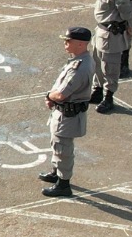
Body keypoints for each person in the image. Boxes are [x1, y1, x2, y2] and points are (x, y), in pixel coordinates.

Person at [39, 28, 96, 198]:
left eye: (68, 41)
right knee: (56, 144)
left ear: (81, 44)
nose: (65, 44)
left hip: (68, 115)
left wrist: (49, 96)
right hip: (63, 111)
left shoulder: (80, 66)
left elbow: (61, 94)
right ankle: (56, 173)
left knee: (63, 149)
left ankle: (63, 184)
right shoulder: (78, 60)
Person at [91, 0, 132, 115]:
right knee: (97, 62)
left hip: (111, 34)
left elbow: (125, 11)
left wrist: (127, 26)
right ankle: (97, 90)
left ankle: (108, 97)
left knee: (110, 67)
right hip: (101, 31)